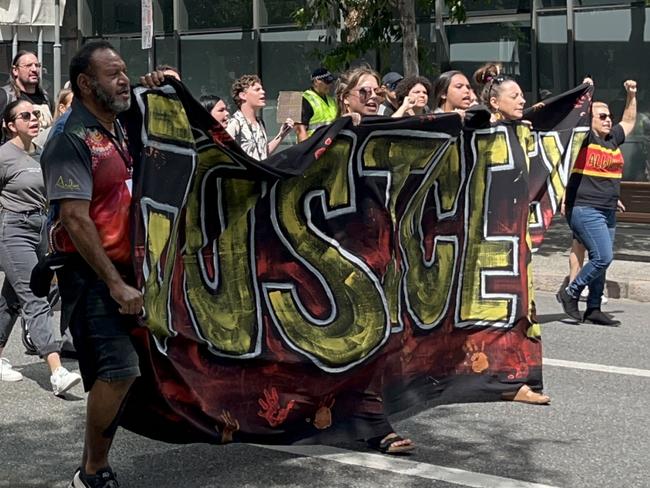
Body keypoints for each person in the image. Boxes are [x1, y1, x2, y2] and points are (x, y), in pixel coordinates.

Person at [41, 40, 144, 488]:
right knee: (117, 371)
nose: (123, 80)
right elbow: (75, 219)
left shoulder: (116, 125)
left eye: (125, 72)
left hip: (124, 269)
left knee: (123, 372)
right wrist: (114, 284)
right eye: (113, 74)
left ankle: (91, 467)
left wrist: (155, 86)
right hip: (91, 273)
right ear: (85, 83)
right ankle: (93, 472)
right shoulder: (69, 138)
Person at [335, 65, 415, 454]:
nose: (370, 96)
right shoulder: (333, 135)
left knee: (375, 341)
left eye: (374, 90)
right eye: (361, 91)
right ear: (345, 97)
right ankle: (374, 424)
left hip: (382, 251)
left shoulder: (385, 134)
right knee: (363, 339)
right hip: (339, 255)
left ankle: (360, 416)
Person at [473, 63, 551, 406]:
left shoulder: (521, 132)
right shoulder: (481, 132)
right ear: (494, 101)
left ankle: (518, 380)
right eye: (514, 95)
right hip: (484, 241)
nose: (522, 101)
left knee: (521, 310)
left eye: (522, 95)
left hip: (515, 239)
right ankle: (494, 378)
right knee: (493, 313)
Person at [0, 99, 82, 392]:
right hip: (13, 230)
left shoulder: (41, 153)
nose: (33, 119)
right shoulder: (3, 156)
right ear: (10, 126)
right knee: (36, 295)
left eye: (35, 114)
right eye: (25, 116)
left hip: (40, 230)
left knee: (11, 298)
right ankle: (57, 370)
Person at [556, 79, 638, 326]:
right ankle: (570, 292)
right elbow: (577, 117)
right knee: (603, 256)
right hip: (584, 207)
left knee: (598, 259)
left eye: (609, 116)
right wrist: (585, 93)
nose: (607, 120)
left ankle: (593, 308)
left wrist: (631, 95)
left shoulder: (612, 138)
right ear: (589, 119)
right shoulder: (584, 138)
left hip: (607, 208)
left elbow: (630, 121)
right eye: (601, 116)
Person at [226, 74, 293, 161]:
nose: (263, 92)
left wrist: (282, 134)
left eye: (262, 89)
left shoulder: (260, 122)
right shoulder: (235, 123)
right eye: (257, 90)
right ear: (243, 95)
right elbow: (223, 152)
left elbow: (264, 152)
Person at [0, 51, 53, 139]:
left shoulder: (46, 98)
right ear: (15, 70)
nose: (34, 69)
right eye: (28, 65)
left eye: (37, 65)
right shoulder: (5, 96)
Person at [294, 68, 338, 142]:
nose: (330, 85)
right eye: (327, 82)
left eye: (331, 82)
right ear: (316, 82)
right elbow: (300, 130)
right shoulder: (305, 100)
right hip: (313, 147)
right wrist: (305, 151)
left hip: (330, 145)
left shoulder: (331, 100)